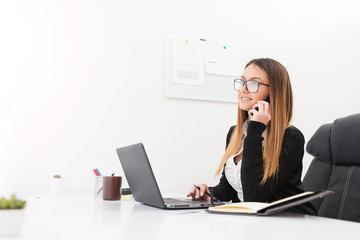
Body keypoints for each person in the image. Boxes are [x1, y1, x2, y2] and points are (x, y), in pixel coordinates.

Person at [187, 58, 317, 215]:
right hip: (254, 223)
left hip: (289, 223)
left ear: (273, 93)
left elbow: (255, 199)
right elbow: (230, 188)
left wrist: (255, 131)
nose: (243, 89)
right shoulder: (235, 132)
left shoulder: (291, 137)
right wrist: (208, 194)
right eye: (242, 82)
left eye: (254, 83)